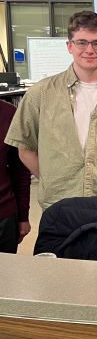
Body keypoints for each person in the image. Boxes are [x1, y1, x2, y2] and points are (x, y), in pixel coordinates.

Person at [5, 11, 97, 210]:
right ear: (69, 46)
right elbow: (25, 148)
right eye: (81, 42)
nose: (89, 49)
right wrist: (51, 178)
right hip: (58, 202)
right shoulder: (40, 93)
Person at [0, 100, 30, 253]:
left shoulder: (9, 113)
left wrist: (23, 216)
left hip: (4, 216)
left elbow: (21, 171)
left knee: (5, 275)